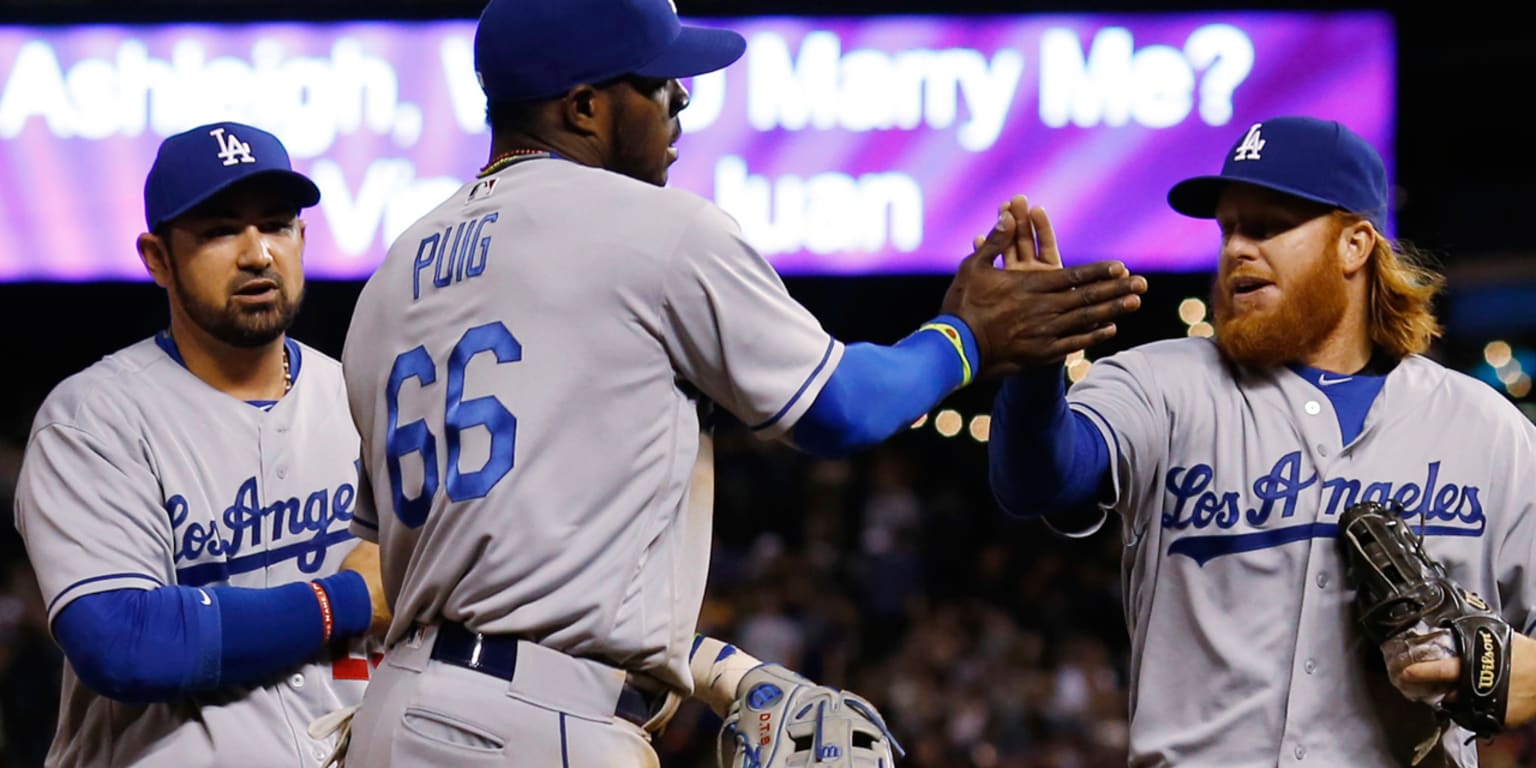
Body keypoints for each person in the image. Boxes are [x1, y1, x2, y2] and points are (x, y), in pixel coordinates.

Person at [336, 0, 1148, 765]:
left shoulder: (391, 276)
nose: (682, 101)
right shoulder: (655, 229)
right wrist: (965, 336)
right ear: (583, 107)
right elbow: (840, 408)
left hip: (396, 712)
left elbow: (413, 558)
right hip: (538, 728)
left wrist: (712, 665)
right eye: (658, 85)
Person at [987, 115, 1536, 766]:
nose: (1237, 250)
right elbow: (1038, 479)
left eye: (1268, 226)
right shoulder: (1161, 385)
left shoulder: (1485, 427)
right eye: (1229, 229)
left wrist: (1504, 670)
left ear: (1354, 245)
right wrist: (1032, 371)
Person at [13, 121, 389, 768]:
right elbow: (126, 642)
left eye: (275, 225)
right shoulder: (94, 419)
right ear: (156, 257)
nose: (257, 254)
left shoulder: (364, 396)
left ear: (302, 238)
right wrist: (346, 599)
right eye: (219, 230)